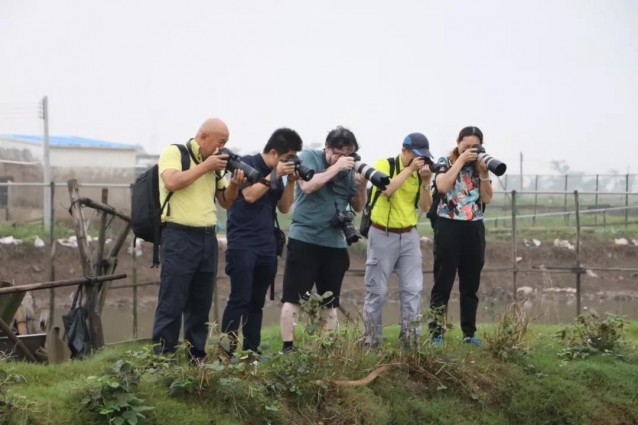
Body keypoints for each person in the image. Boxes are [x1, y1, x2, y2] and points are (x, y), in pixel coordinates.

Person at [152, 117, 245, 361]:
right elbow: (172, 181)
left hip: (207, 238)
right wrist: (206, 167)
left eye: (225, 144)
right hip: (178, 235)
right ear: (203, 137)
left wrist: (234, 184)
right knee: (172, 301)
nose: (222, 148)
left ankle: (196, 358)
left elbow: (225, 201)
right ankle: (163, 359)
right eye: (220, 142)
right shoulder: (175, 153)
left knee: (200, 304)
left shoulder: (214, 166)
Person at [279, 126, 366, 353]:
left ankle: (327, 348)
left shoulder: (350, 169)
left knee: (331, 301)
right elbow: (307, 186)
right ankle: (288, 347)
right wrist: (336, 167)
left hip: (335, 242)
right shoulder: (309, 158)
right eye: (338, 153)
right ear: (327, 148)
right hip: (305, 238)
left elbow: (358, 207)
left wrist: (362, 187)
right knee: (294, 296)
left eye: (349, 153)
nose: (344, 158)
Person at [221, 128, 303, 355]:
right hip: (243, 244)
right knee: (239, 299)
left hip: (267, 246)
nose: (290, 163)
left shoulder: (277, 174)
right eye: (288, 158)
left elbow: (285, 208)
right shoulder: (246, 164)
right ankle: (226, 351)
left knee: (257, 302)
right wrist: (274, 174)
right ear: (275, 152)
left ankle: (251, 352)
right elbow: (249, 196)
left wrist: (290, 182)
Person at [363, 132, 433, 348]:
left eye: (423, 156)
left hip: (409, 235)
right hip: (382, 233)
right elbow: (387, 190)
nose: (419, 160)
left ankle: (410, 340)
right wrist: (409, 170)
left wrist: (425, 182)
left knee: (412, 289)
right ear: (404, 151)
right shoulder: (384, 164)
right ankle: (371, 340)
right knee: (377, 290)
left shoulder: (419, 175)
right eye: (416, 155)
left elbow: (426, 207)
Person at [428, 126, 493, 345]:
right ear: (458, 143)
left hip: (474, 227)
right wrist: (460, 160)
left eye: (475, 147)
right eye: (466, 146)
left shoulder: (480, 164)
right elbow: (443, 186)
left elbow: (486, 199)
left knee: (470, 284)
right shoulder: (444, 161)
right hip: (448, 225)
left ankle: (469, 333)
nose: (471, 151)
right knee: (443, 281)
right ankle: (436, 333)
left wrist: (483, 173)